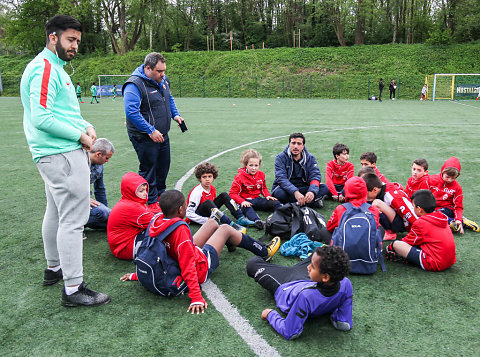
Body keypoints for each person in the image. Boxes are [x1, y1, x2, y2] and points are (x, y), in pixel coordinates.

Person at [20, 14, 110, 307]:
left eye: (78, 41)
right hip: (61, 154)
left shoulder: (55, 68)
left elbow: (60, 111)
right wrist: (82, 138)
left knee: (56, 213)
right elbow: (42, 116)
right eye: (71, 40)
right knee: (73, 220)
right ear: (53, 37)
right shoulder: (45, 67)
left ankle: (54, 268)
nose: (75, 46)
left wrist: (85, 124)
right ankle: (73, 288)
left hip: (54, 153)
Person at [120, 190, 281, 314]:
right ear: (180, 209)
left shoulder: (156, 221)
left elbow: (150, 251)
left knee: (212, 222)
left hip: (174, 258)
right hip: (199, 266)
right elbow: (188, 264)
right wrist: (196, 297)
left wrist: (139, 274)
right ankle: (264, 252)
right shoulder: (180, 230)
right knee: (224, 228)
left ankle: (232, 243)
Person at [122, 52, 185, 213]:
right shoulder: (134, 85)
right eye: (159, 71)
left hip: (163, 134)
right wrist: (150, 130)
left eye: (164, 70)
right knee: (149, 169)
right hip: (143, 136)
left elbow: (168, 98)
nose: (163, 74)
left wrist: (175, 114)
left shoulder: (163, 80)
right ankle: (150, 204)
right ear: (148, 68)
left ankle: (161, 199)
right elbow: (131, 112)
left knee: (163, 167)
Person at [247, 245, 352, 340]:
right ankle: (314, 263)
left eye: (312, 266)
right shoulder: (346, 283)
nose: (308, 267)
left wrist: (270, 314)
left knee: (252, 263)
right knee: (321, 256)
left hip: (286, 284)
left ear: (325, 277)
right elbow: (343, 323)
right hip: (309, 280)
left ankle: (265, 251)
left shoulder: (306, 297)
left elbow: (290, 332)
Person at [385, 190, 456, 272]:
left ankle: (407, 259)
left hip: (435, 263)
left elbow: (407, 241)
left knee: (397, 244)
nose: (412, 208)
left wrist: (390, 247)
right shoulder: (441, 216)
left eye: (413, 206)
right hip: (450, 261)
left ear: (419, 209)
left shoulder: (421, 223)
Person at [186, 162, 254, 230]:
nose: (207, 179)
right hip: (196, 218)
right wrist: (206, 220)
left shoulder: (212, 188)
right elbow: (189, 213)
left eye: (209, 176)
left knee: (224, 195)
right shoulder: (197, 192)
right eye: (204, 177)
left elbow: (212, 206)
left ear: (213, 177)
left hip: (208, 212)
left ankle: (240, 218)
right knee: (208, 202)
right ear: (200, 178)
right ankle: (231, 224)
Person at [271, 133, 328, 208]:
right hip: (287, 189)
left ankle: (293, 205)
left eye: (299, 144)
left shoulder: (310, 158)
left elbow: (315, 176)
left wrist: (311, 191)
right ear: (289, 144)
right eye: (293, 143)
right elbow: (281, 179)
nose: (295, 146)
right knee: (279, 194)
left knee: (324, 188)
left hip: (303, 187)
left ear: (303, 146)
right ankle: (312, 203)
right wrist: (295, 192)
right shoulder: (280, 158)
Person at [229, 149, 281, 229]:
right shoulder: (239, 177)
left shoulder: (261, 174)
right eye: (251, 165)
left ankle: (281, 214)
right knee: (248, 209)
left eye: (256, 165)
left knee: (275, 202)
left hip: (257, 199)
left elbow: (263, 188)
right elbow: (232, 194)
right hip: (245, 201)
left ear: (259, 165)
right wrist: (242, 201)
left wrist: (267, 195)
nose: (253, 168)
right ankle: (257, 221)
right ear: (246, 165)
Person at [107, 172, 154, 259]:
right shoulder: (133, 207)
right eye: (141, 191)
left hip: (121, 244)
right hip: (124, 248)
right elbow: (157, 223)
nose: (145, 193)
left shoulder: (128, 200)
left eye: (145, 190)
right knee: (161, 235)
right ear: (130, 191)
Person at [428, 157, 479, 233]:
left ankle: (455, 222)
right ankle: (458, 222)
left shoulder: (457, 187)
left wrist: (458, 219)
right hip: (432, 209)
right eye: (447, 177)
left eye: (453, 178)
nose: (449, 180)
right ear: (442, 171)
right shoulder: (431, 179)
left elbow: (458, 206)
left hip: (446, 209)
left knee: (432, 216)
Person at [362, 173, 417, 239]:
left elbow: (411, 214)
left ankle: (388, 232)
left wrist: (417, 230)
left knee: (377, 203)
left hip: (402, 224)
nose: (365, 196)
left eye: (366, 193)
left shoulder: (393, 196)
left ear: (375, 190)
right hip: (395, 217)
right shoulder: (380, 190)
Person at [86, 138, 114, 231]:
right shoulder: (80, 163)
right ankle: (75, 225)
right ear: (98, 154)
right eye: (107, 158)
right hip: (73, 204)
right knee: (101, 212)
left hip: (86, 202)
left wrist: (108, 213)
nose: (107, 161)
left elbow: (100, 189)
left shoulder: (99, 165)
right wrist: (82, 198)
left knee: (113, 216)